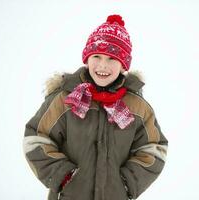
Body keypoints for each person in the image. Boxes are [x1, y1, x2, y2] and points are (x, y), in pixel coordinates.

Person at [23, 14, 168, 200]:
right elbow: (36, 138)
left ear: (123, 64)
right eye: (97, 56)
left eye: (112, 59)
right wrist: (63, 176)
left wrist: (127, 181)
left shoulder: (137, 106)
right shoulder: (66, 99)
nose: (103, 65)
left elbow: (153, 148)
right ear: (87, 58)